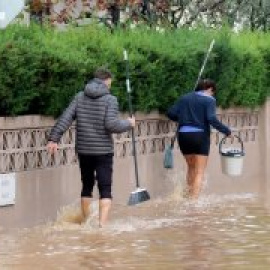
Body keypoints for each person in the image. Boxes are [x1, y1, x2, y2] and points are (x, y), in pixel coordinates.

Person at [47, 67, 135, 227]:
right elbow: (112, 124)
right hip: (103, 151)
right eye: (110, 83)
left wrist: (54, 138)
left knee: (87, 185)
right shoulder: (110, 100)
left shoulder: (80, 97)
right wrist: (128, 124)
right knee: (105, 188)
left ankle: (87, 224)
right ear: (107, 81)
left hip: (84, 150)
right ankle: (102, 227)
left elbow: (66, 117)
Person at [167, 79, 231, 199]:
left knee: (191, 167)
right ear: (209, 89)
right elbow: (211, 118)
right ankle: (194, 203)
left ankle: (188, 196)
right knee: (199, 171)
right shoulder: (209, 100)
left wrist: (184, 119)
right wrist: (226, 131)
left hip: (183, 136)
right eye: (213, 92)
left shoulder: (184, 98)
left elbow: (170, 113)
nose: (212, 95)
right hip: (200, 136)